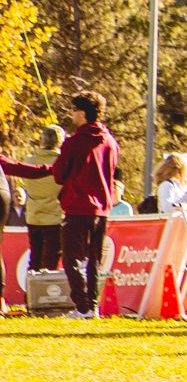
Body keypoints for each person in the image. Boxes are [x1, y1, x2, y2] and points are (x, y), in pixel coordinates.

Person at [29, 93, 118, 319]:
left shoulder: (73, 142)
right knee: (93, 259)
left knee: (71, 258)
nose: (71, 114)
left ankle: (82, 306)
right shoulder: (110, 142)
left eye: (73, 110)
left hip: (77, 207)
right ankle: (93, 305)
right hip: (102, 208)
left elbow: (59, 175)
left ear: (82, 113)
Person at [0, 126, 66, 298]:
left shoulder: (30, 159)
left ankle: (30, 296)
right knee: (51, 260)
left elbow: (25, 176)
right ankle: (46, 297)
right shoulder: (63, 162)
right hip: (54, 215)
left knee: (34, 258)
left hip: (34, 214)